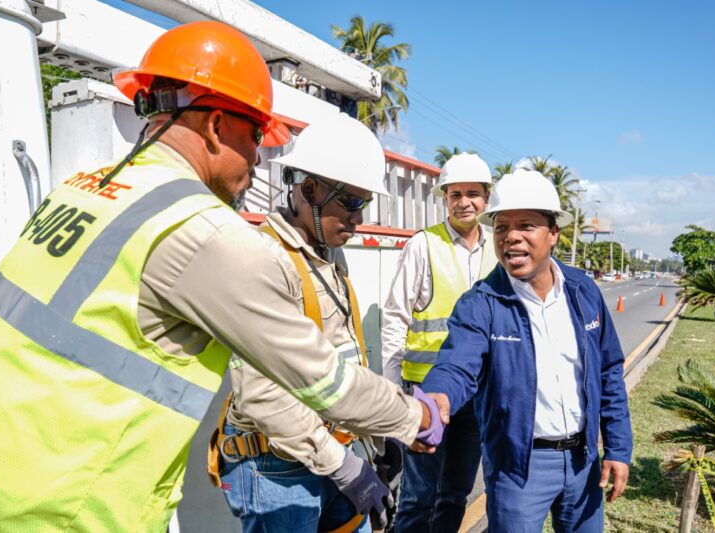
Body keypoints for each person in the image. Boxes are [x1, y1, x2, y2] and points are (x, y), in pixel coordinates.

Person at [0, 22, 444, 532]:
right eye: (254, 139)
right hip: (57, 509)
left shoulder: (81, 190)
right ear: (216, 126)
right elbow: (325, 382)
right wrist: (416, 420)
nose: (257, 159)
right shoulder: (207, 233)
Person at [209, 113, 393, 532]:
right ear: (308, 189)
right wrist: (346, 468)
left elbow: (341, 361)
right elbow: (261, 395)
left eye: (365, 203)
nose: (358, 218)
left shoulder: (330, 254)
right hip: (279, 470)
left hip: (335, 453)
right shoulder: (263, 260)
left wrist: (377, 441)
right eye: (351, 202)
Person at [421, 169, 633, 532]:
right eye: (501, 228)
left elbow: (608, 372)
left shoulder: (583, 292)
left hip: (584, 462)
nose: (511, 238)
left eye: (526, 226)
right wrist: (435, 396)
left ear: (553, 234)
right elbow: (457, 365)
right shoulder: (481, 304)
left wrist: (617, 448)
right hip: (517, 468)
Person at [381, 153, 497, 532]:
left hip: (477, 393)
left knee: (456, 493)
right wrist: (392, 383)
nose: (464, 202)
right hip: (426, 391)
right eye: (455, 194)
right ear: (444, 198)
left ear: (486, 198)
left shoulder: (498, 249)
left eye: (473, 194)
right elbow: (396, 314)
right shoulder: (423, 245)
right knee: (418, 493)